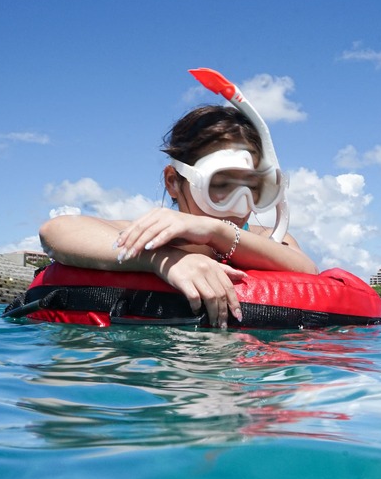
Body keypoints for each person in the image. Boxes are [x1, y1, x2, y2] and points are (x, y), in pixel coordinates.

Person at [39, 68, 317, 329]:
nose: (240, 202)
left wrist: (217, 232)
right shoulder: (157, 238)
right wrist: (162, 259)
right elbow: (56, 230)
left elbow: (307, 270)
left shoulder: (270, 238)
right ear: (173, 181)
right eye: (220, 184)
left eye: (253, 188)